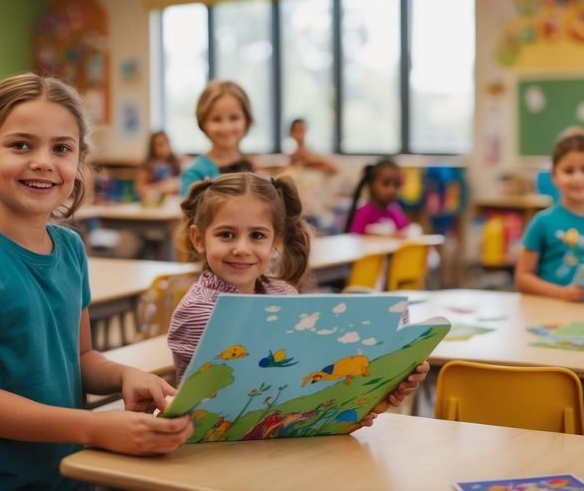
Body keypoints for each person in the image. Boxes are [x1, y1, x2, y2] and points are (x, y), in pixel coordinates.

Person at [0, 73, 192, 489]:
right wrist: (93, 428)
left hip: (69, 477)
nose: (44, 161)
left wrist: (126, 376)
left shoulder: (69, 247)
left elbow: (81, 357)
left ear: (77, 163)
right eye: (21, 145)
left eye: (62, 148)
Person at [167, 172, 427, 425]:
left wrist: (378, 393)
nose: (241, 248)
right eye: (226, 234)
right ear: (199, 239)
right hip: (212, 451)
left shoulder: (283, 295)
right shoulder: (199, 311)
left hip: (278, 441)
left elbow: (295, 391)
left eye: (257, 235)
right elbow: (212, 406)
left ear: (275, 241)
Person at [515, 132, 584, 301]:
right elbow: (522, 278)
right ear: (554, 176)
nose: (578, 178)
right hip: (549, 313)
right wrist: (562, 294)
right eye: (568, 171)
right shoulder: (542, 222)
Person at [179, 80, 255, 196]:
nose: (226, 127)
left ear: (247, 120)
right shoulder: (194, 174)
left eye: (234, 118)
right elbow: (189, 211)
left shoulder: (254, 168)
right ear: (203, 123)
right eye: (216, 119)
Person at [344, 158, 416, 236]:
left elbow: (406, 230)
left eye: (396, 185)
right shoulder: (364, 213)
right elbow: (355, 239)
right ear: (372, 185)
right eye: (386, 183)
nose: (392, 190)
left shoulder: (395, 210)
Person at [135, 130, 183, 204]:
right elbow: (140, 190)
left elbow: (180, 186)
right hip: (154, 207)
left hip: (172, 206)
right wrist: (162, 187)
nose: (164, 148)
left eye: (166, 143)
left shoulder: (175, 164)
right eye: (160, 145)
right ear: (152, 147)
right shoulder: (147, 166)